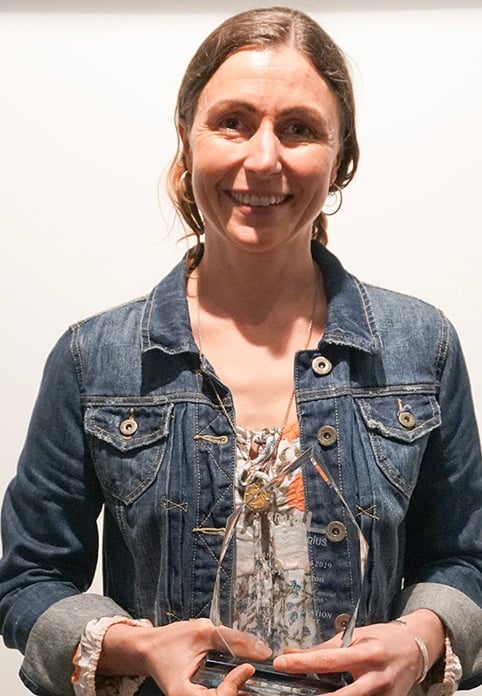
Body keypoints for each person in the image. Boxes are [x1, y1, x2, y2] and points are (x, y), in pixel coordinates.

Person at [0, 6, 481, 696]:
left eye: (299, 128)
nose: (263, 158)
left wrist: (421, 639)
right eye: (233, 121)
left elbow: (466, 558)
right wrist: (141, 649)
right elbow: (30, 579)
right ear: (186, 138)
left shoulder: (421, 346)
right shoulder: (93, 359)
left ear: (341, 158)